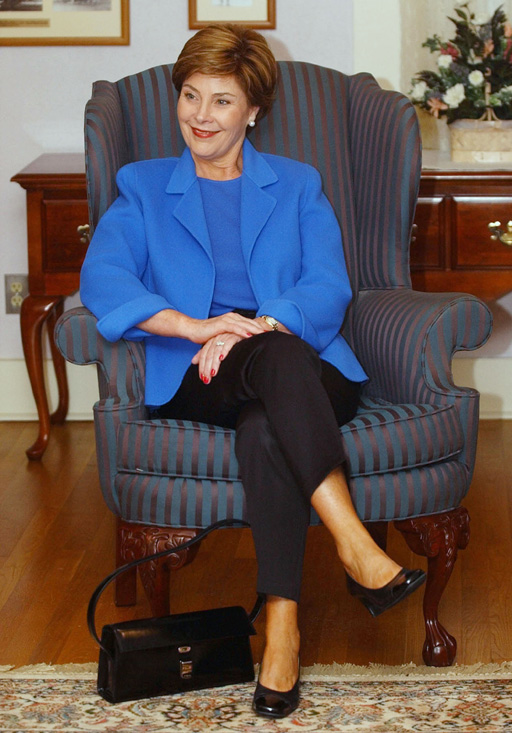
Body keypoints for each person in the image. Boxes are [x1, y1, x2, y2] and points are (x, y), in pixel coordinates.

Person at [80, 24, 426, 719]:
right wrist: (197, 327)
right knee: (269, 366)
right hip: (196, 371)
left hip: (301, 361)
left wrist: (260, 326)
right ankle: (353, 544)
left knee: (268, 415)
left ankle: (282, 628)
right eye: (190, 95)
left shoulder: (297, 184)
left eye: (222, 101)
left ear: (254, 111)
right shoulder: (142, 187)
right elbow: (103, 278)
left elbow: (326, 285)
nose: (200, 116)